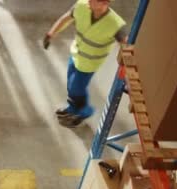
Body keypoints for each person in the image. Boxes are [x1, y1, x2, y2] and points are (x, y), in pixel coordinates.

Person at [43, 0, 127, 128]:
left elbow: (126, 46)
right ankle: (73, 109)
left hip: (90, 62)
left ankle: (85, 111)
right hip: (76, 53)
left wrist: (125, 68)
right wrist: (50, 34)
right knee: (72, 85)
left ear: (104, 3)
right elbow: (66, 18)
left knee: (76, 88)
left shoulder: (115, 24)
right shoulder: (82, 6)